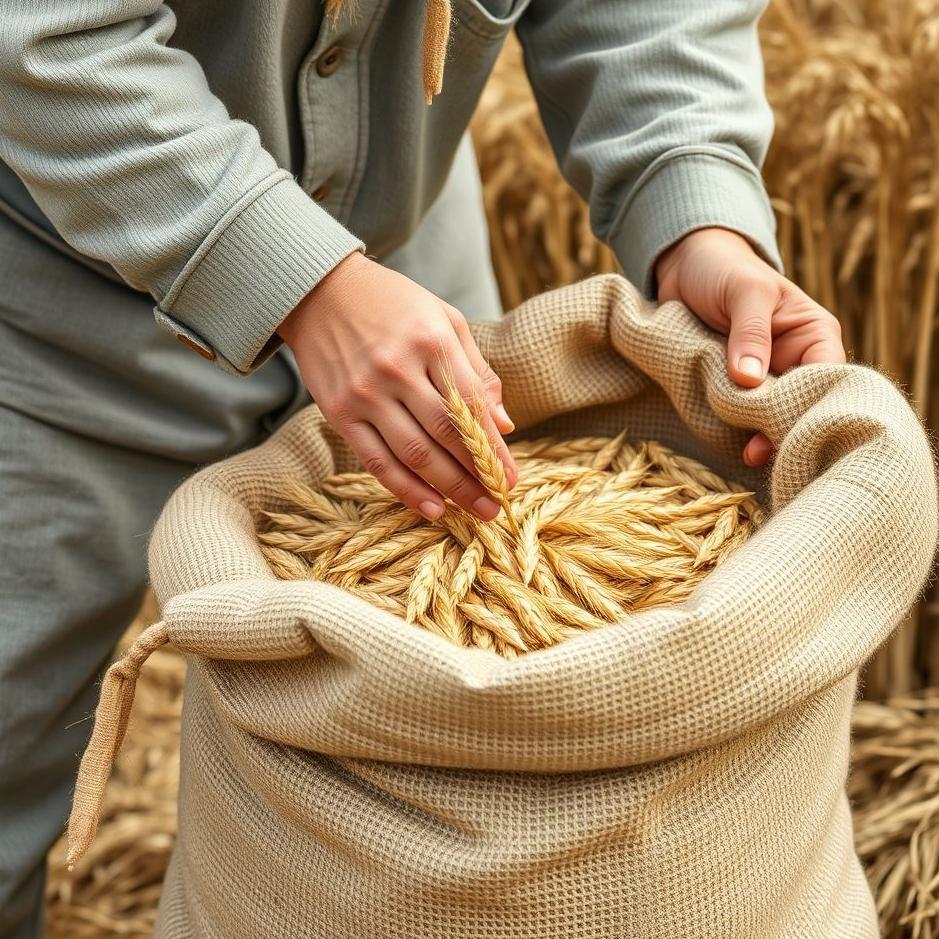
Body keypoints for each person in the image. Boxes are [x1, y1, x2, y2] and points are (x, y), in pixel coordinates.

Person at [0, 2, 845, 936]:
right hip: (44, 305)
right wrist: (296, 279)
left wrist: (696, 211)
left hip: (402, 268)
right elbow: (40, 32)